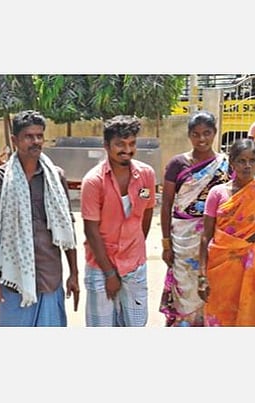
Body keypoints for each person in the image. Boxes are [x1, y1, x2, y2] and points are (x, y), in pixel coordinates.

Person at [0, 110, 79, 327]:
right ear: (15, 140)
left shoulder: (55, 177)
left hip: (50, 277)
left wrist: (74, 273)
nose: (35, 141)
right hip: (12, 280)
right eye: (28, 136)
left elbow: (67, 227)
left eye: (39, 136)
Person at [197, 138, 255, 326]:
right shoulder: (217, 193)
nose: (247, 166)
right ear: (232, 162)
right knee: (222, 318)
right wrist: (202, 276)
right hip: (221, 267)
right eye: (241, 161)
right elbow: (206, 236)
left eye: (252, 160)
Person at [80, 115, 156, 327]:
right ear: (106, 145)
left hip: (135, 266)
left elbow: (146, 213)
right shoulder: (93, 181)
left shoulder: (146, 176)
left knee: (135, 325)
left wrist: (135, 246)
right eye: (120, 144)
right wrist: (109, 273)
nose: (127, 150)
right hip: (101, 265)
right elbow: (91, 231)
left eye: (132, 143)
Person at [158, 111, 230, 327]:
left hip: (214, 238)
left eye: (207, 133)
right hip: (183, 238)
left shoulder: (225, 164)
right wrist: (166, 244)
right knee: (183, 288)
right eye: (196, 134)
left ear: (215, 133)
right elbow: (166, 205)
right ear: (189, 135)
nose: (202, 139)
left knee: (212, 288)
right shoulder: (177, 164)